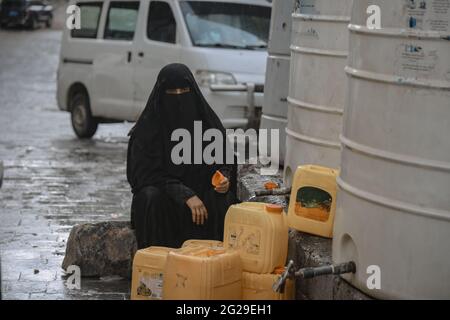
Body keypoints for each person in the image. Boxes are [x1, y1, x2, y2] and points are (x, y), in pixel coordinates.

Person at [127, 63, 238, 249]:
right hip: (166, 201)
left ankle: (217, 260)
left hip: (202, 202)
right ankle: (158, 261)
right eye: (172, 93)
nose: (179, 98)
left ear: (193, 92)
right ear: (161, 96)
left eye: (184, 91)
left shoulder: (207, 125)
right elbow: (144, 177)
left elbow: (225, 161)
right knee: (149, 197)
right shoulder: (147, 130)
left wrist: (224, 178)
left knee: (224, 199)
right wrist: (185, 195)